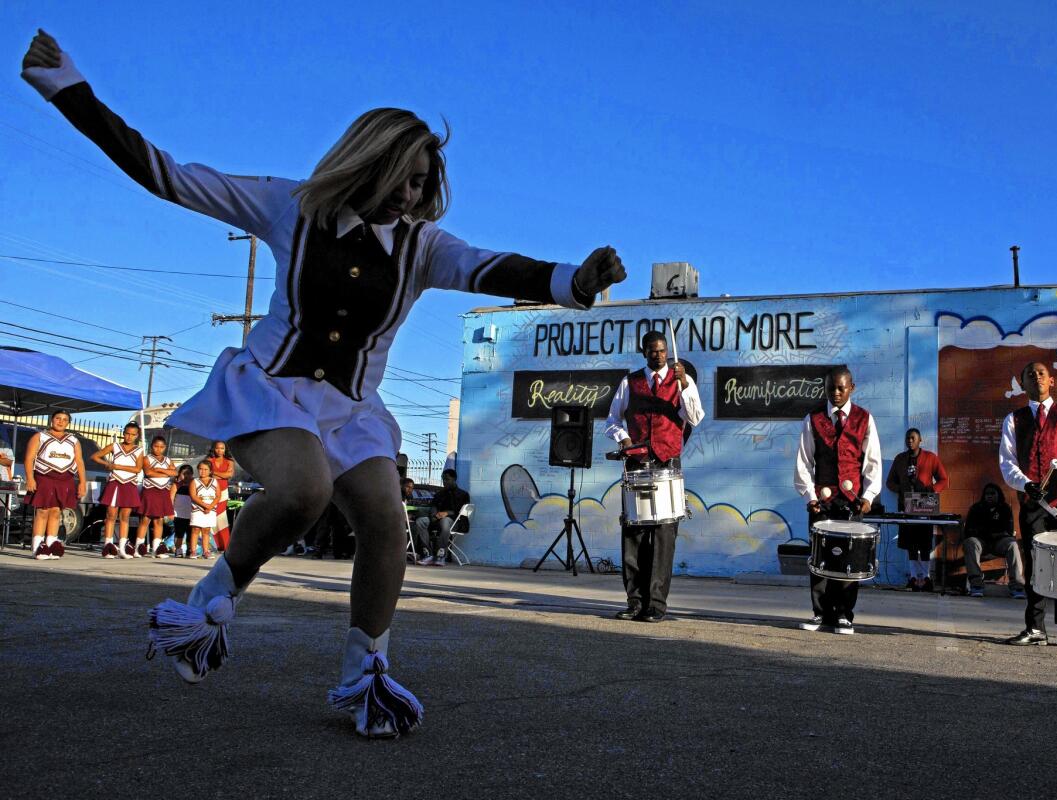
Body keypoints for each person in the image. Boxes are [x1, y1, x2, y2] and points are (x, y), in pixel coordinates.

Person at [22, 30, 624, 738]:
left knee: (386, 521)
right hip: (270, 391)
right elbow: (169, 175)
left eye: (424, 185)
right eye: (403, 178)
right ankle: (211, 601)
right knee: (304, 490)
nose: (412, 195)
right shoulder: (292, 206)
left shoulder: (425, 249)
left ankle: (364, 673)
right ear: (368, 163)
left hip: (352, 411)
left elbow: (497, 269)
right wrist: (67, 87)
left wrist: (573, 282)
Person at [604, 330, 705, 622]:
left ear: (668, 352)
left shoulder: (683, 381)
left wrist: (684, 385)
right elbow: (612, 419)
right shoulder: (630, 382)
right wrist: (623, 437)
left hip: (667, 465)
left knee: (663, 539)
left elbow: (696, 418)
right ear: (643, 351)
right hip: (637, 464)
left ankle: (656, 605)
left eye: (662, 351)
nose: (658, 355)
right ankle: (635, 602)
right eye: (652, 351)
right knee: (633, 535)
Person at [999, 362, 1057, 647]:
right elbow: (1007, 461)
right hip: (1032, 504)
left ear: (1052, 381)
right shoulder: (1013, 419)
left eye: (1041, 373)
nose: (1035, 377)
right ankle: (1035, 628)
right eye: (1029, 375)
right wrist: (1025, 484)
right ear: (1022, 384)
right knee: (1036, 565)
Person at [794, 367, 882, 635]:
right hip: (823, 502)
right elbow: (804, 462)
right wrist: (810, 497)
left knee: (850, 559)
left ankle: (844, 615)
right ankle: (820, 613)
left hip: (852, 501)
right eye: (831, 387)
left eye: (841, 388)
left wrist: (867, 497)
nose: (836, 392)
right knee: (820, 558)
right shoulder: (814, 418)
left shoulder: (864, 419)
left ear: (851, 388)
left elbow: (873, 463)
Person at [884, 427, 949, 591]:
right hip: (906, 504)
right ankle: (914, 577)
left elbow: (944, 479)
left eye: (913, 438)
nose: (910, 441)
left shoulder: (930, 458)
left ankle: (925, 578)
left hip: (925, 504)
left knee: (925, 543)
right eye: (907, 438)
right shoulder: (900, 459)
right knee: (910, 543)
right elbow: (889, 482)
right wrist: (901, 489)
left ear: (920, 440)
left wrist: (931, 490)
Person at [22, 409, 87, 560]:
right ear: (52, 420)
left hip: (65, 479)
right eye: (58, 418)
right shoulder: (40, 436)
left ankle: (50, 545)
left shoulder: (73, 440)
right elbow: (29, 458)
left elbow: (79, 462)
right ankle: (37, 547)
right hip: (44, 477)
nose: (61, 421)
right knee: (42, 511)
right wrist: (30, 478)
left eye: (65, 419)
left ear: (68, 423)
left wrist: (83, 482)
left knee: (57, 511)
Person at [961, 483, 1024, 598]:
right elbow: (969, 530)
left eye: (992, 494)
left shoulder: (1004, 508)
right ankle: (976, 584)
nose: (989, 496)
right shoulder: (976, 508)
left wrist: (988, 531)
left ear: (999, 495)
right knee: (970, 542)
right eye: (987, 494)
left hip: (998, 542)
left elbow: (1008, 531)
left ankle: (1017, 585)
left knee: (1012, 544)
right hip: (981, 542)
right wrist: (990, 532)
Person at [92, 422, 144, 559]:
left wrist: (117, 465)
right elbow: (95, 456)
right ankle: (108, 546)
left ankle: (122, 548)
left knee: (125, 516)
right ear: (123, 433)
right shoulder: (115, 446)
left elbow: (138, 469)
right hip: (115, 482)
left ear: (137, 436)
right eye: (127, 433)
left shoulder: (139, 450)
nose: (129, 437)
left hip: (129, 484)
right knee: (111, 514)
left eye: (133, 434)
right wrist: (107, 464)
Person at [415, 469, 470, 566]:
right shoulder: (439, 494)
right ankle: (427, 554)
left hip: (455, 522)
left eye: (447, 479)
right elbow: (433, 506)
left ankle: (440, 555)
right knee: (421, 521)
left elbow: (462, 513)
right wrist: (434, 515)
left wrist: (447, 513)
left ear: (454, 479)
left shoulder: (463, 495)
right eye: (443, 479)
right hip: (437, 519)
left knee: (445, 521)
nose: (444, 482)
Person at [137, 435, 178, 558]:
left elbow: (175, 473)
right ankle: (138, 547)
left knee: (159, 520)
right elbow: (149, 473)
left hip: (163, 491)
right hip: (150, 490)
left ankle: (156, 549)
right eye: (156, 446)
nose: (158, 449)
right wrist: (166, 472)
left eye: (161, 447)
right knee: (145, 519)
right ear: (151, 446)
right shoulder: (146, 458)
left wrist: (160, 470)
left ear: (165, 447)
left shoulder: (168, 460)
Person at [207, 441, 235, 552]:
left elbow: (229, 475)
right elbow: (207, 474)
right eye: (217, 448)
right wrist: (221, 475)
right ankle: (213, 544)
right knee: (211, 515)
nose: (220, 450)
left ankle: (225, 544)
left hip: (223, 491)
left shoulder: (230, 461)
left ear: (225, 449)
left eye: (222, 448)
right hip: (210, 490)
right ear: (214, 449)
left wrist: (215, 473)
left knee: (221, 517)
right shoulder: (209, 461)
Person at [189, 460, 219, 560]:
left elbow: (218, 496)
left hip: (211, 509)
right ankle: (193, 551)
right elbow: (193, 496)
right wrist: (204, 505)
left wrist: (210, 507)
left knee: (206, 530)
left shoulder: (214, 481)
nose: (203, 471)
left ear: (210, 471)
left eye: (206, 469)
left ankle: (206, 551)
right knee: (195, 529)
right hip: (197, 508)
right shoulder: (195, 481)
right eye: (200, 469)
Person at [170, 464, 194, 557]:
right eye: (184, 474)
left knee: (190, 533)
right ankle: (178, 549)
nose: (186, 476)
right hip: (178, 514)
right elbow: (171, 498)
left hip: (191, 513)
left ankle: (189, 549)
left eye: (189, 474)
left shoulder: (194, 484)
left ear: (192, 474)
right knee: (179, 533)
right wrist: (171, 511)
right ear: (179, 474)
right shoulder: (176, 485)